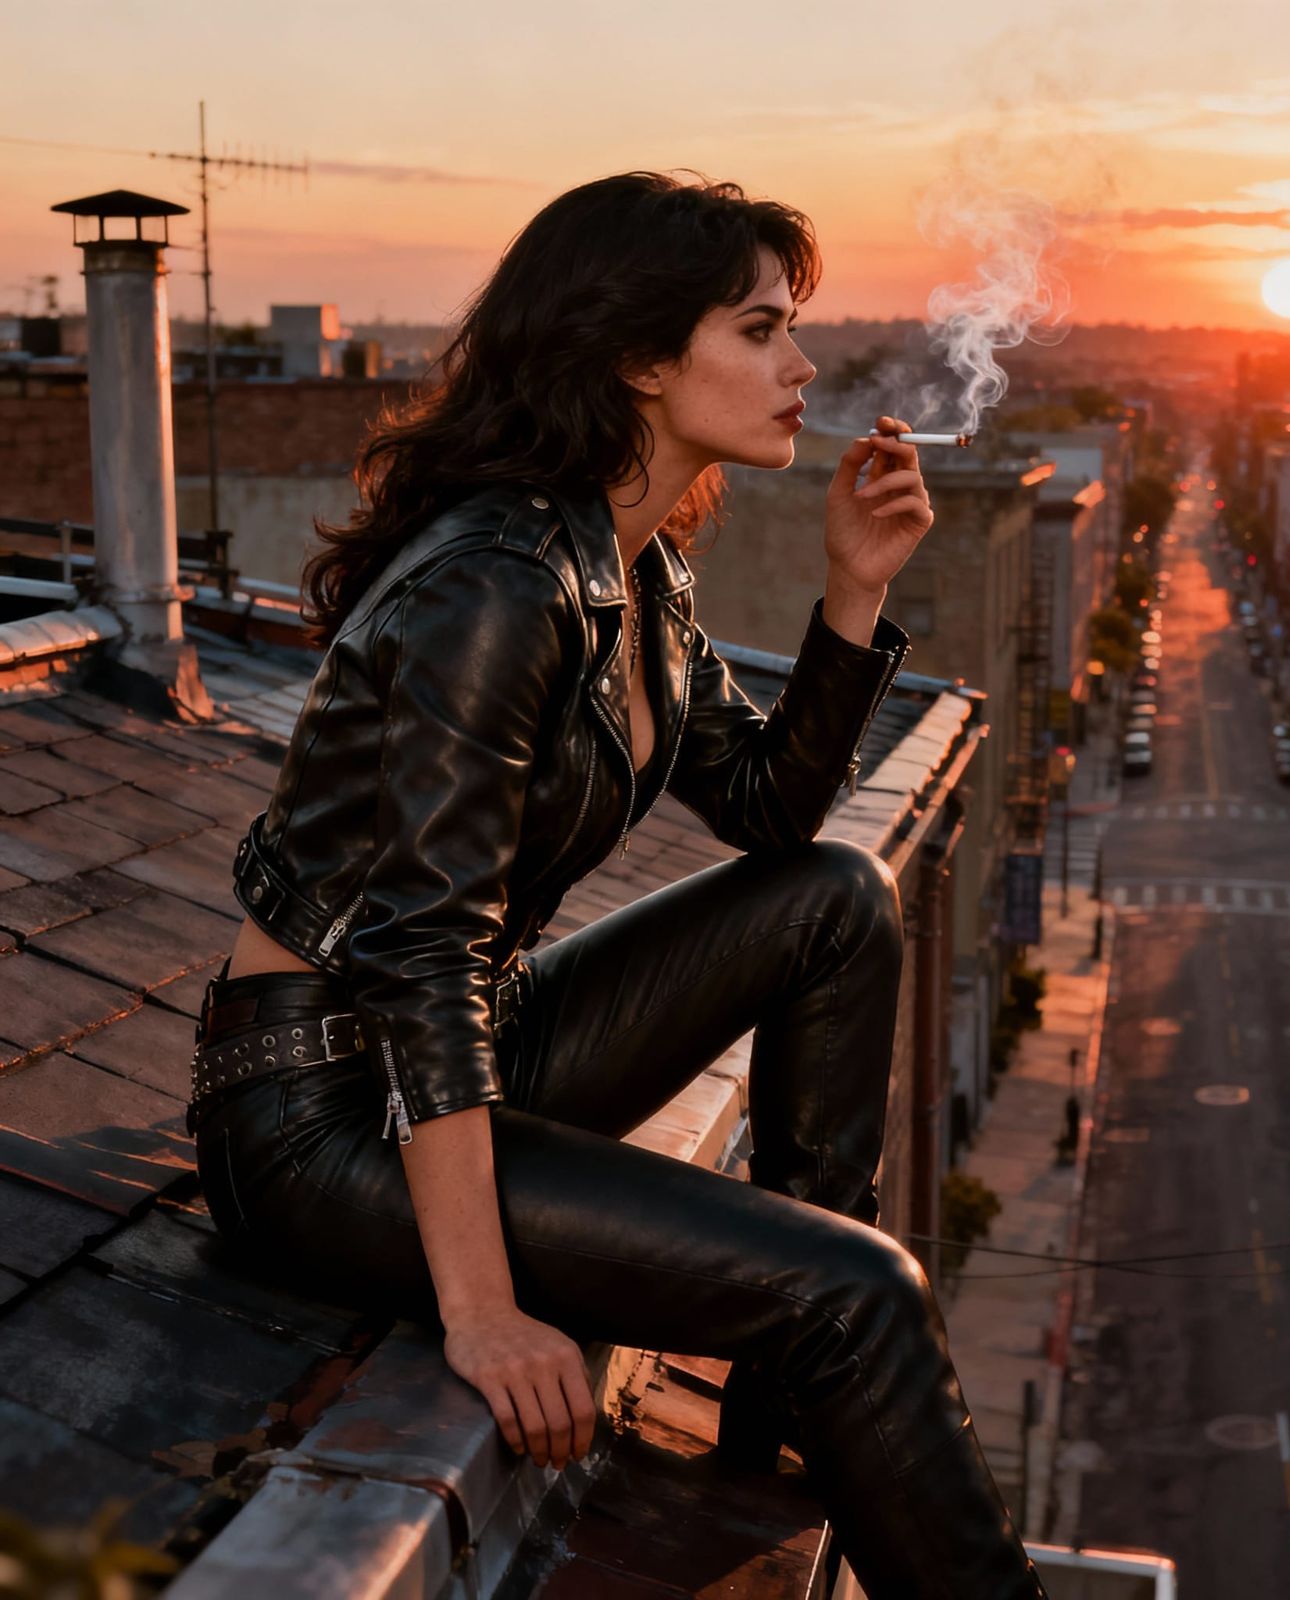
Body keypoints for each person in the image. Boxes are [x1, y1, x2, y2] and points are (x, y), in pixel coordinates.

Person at [188, 172, 1045, 1598]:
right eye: (762, 329)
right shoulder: (501, 581)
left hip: (469, 1048)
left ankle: (794, 1398)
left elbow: (775, 816)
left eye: (796, 331)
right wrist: (482, 1312)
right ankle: (829, 1348)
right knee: (862, 1289)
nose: (802, 366)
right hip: (314, 1120)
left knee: (838, 896)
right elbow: (416, 957)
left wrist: (852, 592)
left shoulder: (632, 575)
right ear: (642, 357)